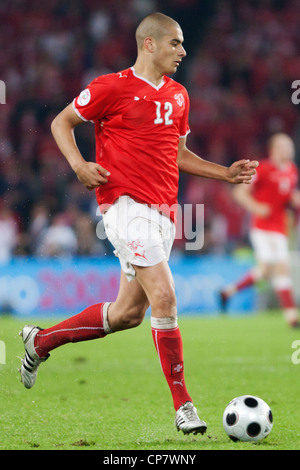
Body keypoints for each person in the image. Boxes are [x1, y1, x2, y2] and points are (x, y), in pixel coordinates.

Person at [20, 12, 257, 435]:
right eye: (175, 43)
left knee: (128, 314)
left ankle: (40, 342)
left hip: (163, 214)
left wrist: (225, 173)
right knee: (165, 298)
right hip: (125, 208)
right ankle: (184, 405)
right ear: (149, 44)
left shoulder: (180, 96)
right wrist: (78, 165)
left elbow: (178, 155)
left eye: (184, 44)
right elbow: (62, 123)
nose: (183, 51)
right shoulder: (110, 87)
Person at [220, 133, 300, 327]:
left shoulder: (292, 170)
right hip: (262, 227)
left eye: (289, 145)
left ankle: (227, 292)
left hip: (281, 227)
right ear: (273, 149)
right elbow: (239, 192)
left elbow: (287, 195)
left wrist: (294, 200)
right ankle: (292, 317)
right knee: (281, 266)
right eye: (283, 145)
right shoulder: (262, 169)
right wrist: (256, 207)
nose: (288, 149)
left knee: (265, 271)